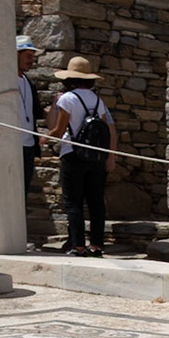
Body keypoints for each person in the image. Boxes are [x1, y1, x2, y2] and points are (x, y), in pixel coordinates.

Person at [43, 55, 116, 256]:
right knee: (95, 201)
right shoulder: (97, 99)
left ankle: (78, 246)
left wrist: (44, 137)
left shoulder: (67, 98)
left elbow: (59, 130)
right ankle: (97, 245)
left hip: (73, 154)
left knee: (73, 202)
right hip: (96, 156)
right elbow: (103, 127)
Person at [15, 36, 42, 195]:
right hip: (12, 145)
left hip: (28, 146)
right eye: (28, 56)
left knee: (23, 191)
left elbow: (37, 112)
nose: (31, 61)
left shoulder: (28, 82)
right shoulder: (5, 81)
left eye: (33, 56)